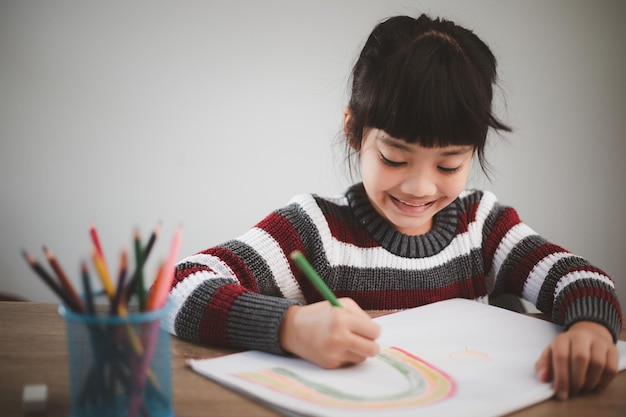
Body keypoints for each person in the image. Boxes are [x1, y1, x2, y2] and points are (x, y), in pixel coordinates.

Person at [165, 14, 622, 401]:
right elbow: (178, 287)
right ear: (353, 131)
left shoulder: (481, 225)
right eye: (394, 158)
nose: (420, 186)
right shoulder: (316, 230)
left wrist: (591, 329)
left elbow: (577, 276)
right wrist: (290, 327)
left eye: (449, 164)